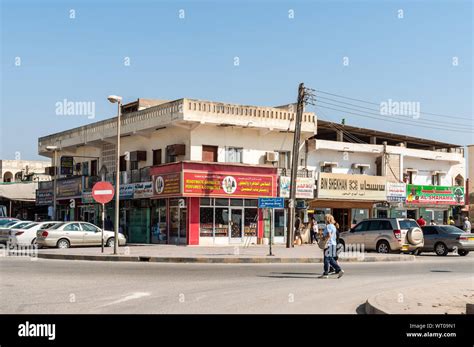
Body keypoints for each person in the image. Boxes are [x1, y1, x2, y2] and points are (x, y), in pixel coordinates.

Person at [320, 214, 344, 279]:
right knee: (330, 259)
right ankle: (339, 270)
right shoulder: (333, 226)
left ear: (327, 219)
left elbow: (329, 235)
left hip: (328, 245)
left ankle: (326, 273)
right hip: (333, 244)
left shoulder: (328, 226)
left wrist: (323, 238)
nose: (324, 220)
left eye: (325, 219)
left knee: (326, 259)